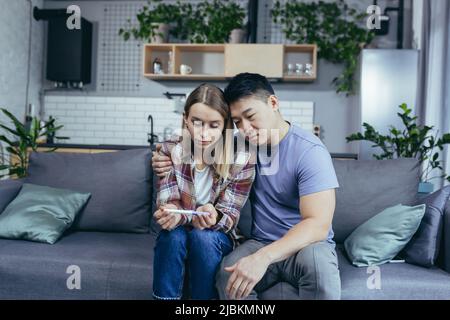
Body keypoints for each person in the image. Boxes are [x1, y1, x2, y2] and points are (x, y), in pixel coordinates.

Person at [152, 73, 341, 300]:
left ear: (273, 103)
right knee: (227, 275)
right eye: (238, 122)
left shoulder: (309, 151)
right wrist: (162, 157)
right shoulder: (239, 146)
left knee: (320, 270)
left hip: (305, 245)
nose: (246, 128)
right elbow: (197, 140)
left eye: (251, 116)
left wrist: (263, 257)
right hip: (260, 241)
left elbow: (318, 225)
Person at [152, 83, 255, 300]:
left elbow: (230, 217)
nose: (203, 133)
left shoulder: (242, 159)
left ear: (226, 126)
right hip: (179, 230)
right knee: (173, 237)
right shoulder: (170, 150)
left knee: (203, 238)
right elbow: (167, 199)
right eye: (196, 122)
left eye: (213, 125)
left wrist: (214, 214)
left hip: (215, 235)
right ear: (185, 119)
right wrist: (169, 210)